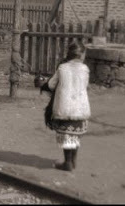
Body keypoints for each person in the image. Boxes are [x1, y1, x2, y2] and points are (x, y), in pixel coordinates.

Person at [45, 41, 91, 171]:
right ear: (82, 55)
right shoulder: (85, 69)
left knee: (66, 135)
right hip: (80, 108)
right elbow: (86, 86)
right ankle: (73, 160)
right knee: (75, 135)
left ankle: (68, 162)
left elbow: (51, 85)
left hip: (64, 107)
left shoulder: (62, 68)